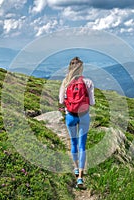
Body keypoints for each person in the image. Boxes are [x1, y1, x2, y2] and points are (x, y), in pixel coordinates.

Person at [59, 57, 95, 187]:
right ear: (81, 68)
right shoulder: (88, 82)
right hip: (84, 116)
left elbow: (61, 101)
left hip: (70, 116)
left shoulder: (65, 82)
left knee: (73, 143)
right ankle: (80, 177)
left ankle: (75, 167)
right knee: (82, 146)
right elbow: (92, 102)